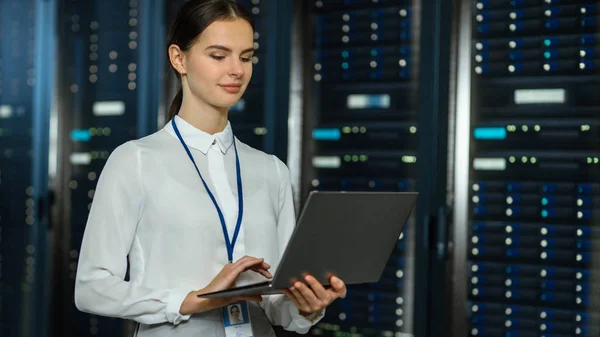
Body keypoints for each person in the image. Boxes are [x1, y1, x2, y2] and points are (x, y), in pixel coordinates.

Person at [73, 0, 347, 336]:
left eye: (246, 57)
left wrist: (306, 306)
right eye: (219, 56)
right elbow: (91, 287)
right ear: (179, 58)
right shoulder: (135, 161)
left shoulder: (271, 170)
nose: (237, 70)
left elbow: (277, 305)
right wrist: (191, 300)